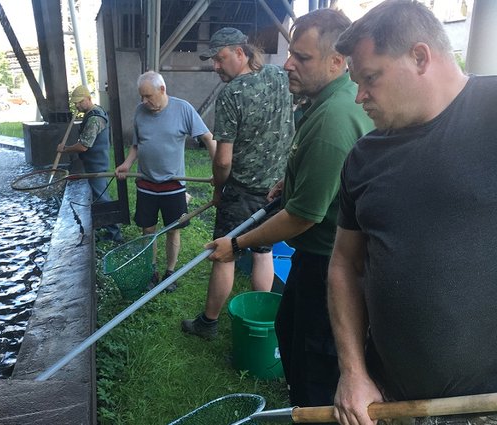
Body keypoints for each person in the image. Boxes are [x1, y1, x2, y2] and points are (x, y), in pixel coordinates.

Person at [327, 1, 497, 424]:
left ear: (420, 57)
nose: (359, 95)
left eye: (370, 78)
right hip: (391, 400)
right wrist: (353, 372)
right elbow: (345, 264)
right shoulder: (363, 158)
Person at [195, 11, 374, 409]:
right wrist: (291, 182)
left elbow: (303, 216)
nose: (288, 64)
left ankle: (312, 408)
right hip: (319, 253)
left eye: (303, 58)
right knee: (288, 327)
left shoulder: (332, 119)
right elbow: (321, 173)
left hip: (327, 260)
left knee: (314, 361)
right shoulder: (325, 99)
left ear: (337, 61)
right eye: (291, 53)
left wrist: (236, 242)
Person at [181, 28, 295, 339]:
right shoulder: (279, 76)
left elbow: (222, 160)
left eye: (220, 58)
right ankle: (264, 317)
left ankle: (208, 323)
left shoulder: (231, 94)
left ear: (240, 53)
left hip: (242, 190)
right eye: (213, 60)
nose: (216, 66)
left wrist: (219, 188)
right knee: (263, 251)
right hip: (276, 190)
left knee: (225, 254)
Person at [115, 71, 216, 292]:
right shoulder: (140, 111)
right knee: (148, 230)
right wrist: (127, 164)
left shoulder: (183, 109)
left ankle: (170, 273)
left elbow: (208, 138)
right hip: (146, 183)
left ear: (162, 89)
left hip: (173, 185)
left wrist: (218, 169)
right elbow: (136, 145)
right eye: (141, 96)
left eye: (148, 96)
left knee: (172, 229)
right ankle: (152, 271)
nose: (144, 101)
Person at [57, 85, 122, 242]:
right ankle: (100, 225)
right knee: (97, 195)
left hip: (96, 164)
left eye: (79, 102)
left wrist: (65, 149)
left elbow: (83, 146)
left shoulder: (94, 119)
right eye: (75, 103)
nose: (77, 106)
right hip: (95, 162)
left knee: (101, 197)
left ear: (88, 98)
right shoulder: (95, 111)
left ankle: (114, 233)